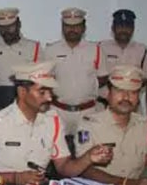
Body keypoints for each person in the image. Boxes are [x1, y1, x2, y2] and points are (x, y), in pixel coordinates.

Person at [0, 61, 112, 185]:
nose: (49, 98)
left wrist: (88, 158)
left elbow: (64, 168)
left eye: (50, 92)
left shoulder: (52, 121)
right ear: (22, 92)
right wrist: (15, 178)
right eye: (42, 92)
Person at [76, 65, 147, 185]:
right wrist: (126, 183)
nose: (126, 97)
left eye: (133, 92)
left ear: (138, 97)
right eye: (120, 91)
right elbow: (84, 170)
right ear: (108, 94)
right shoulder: (89, 124)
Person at [43, 8, 108, 136]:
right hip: (58, 110)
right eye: (68, 26)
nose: (72, 29)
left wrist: (86, 88)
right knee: (56, 146)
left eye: (76, 26)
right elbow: (45, 79)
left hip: (87, 112)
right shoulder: (51, 50)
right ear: (62, 27)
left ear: (84, 27)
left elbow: (103, 77)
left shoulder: (96, 50)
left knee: (87, 146)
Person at [99, 9, 147, 113]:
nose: (124, 30)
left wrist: (132, 83)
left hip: (132, 107)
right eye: (120, 26)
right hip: (104, 107)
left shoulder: (143, 50)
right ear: (113, 28)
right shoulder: (100, 47)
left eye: (128, 27)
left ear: (133, 29)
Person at [0, 8, 42, 89]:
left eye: (10, 27)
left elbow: (42, 76)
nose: (6, 31)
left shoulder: (34, 47)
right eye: (2, 28)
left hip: (22, 95)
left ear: (19, 24)